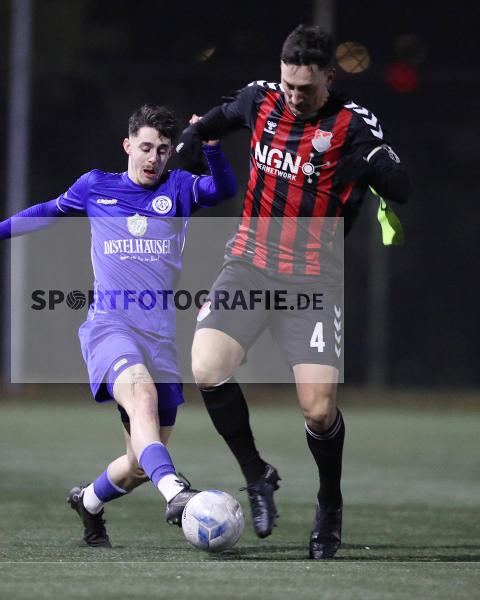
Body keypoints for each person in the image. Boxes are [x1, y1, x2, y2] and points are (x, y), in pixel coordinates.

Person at [0, 105, 237, 546]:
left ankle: (89, 502)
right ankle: (175, 493)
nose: (154, 158)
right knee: (142, 397)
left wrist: (211, 147)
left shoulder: (179, 187)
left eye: (164, 150)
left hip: (160, 338)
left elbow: (224, 189)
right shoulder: (97, 186)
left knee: (137, 463)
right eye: (146, 147)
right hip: (109, 327)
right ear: (128, 145)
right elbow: (44, 212)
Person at [176, 25, 410, 559]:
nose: (294, 96)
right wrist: (192, 140)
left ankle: (329, 503)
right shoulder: (261, 98)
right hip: (250, 266)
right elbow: (214, 121)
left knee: (319, 411)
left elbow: (402, 186)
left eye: (305, 87)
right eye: (288, 84)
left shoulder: (354, 124)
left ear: (329, 77)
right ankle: (257, 475)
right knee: (207, 366)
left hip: (313, 282)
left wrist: (377, 168)